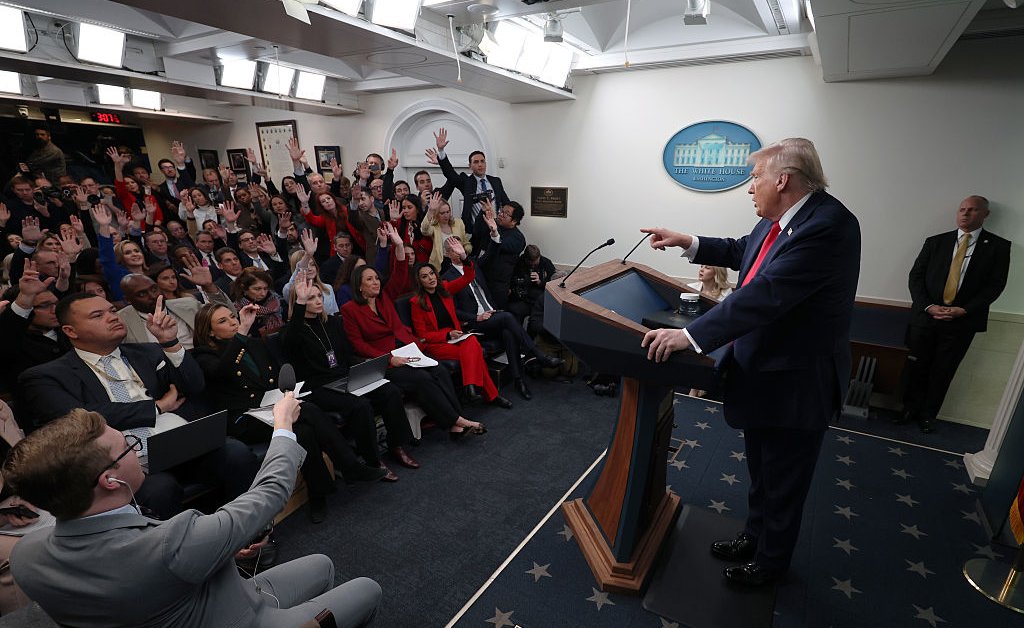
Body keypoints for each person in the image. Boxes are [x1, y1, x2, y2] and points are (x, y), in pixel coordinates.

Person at [640, 138, 861, 587]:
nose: (749, 187)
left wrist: (689, 336)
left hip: (798, 381)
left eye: (755, 176)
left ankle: (770, 564)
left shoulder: (829, 226)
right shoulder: (779, 220)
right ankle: (755, 537)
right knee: (763, 471)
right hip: (764, 373)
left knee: (785, 479)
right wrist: (690, 241)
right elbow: (745, 250)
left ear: (783, 180)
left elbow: (767, 293)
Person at [2, 397, 382, 627]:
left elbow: (153, 578)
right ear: (110, 480)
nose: (137, 448)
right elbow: (269, 493)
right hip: (242, 619)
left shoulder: (25, 556)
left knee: (321, 564)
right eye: (130, 445)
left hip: (197, 600)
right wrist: (282, 425)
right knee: (368, 588)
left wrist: (219, 552)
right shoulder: (174, 543)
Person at [18, 292, 260, 519]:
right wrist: (157, 407)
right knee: (160, 489)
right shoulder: (46, 376)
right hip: (124, 461)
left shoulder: (148, 352)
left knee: (236, 454)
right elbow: (79, 419)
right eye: (98, 315)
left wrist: (170, 342)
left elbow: (194, 386)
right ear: (71, 331)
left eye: (113, 311)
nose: (112, 317)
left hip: (177, 442)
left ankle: (250, 531)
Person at [192, 303, 387, 522]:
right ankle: (350, 466)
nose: (232, 322)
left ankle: (319, 493)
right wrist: (242, 333)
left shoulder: (253, 343)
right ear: (209, 332)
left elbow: (274, 373)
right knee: (307, 410)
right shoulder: (204, 355)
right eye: (223, 321)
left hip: (271, 406)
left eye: (231, 316)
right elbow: (222, 371)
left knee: (303, 431)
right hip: (245, 418)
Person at [284, 277, 420, 476]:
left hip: (345, 377)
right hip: (318, 387)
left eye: (319, 296)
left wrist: (365, 366)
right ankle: (373, 461)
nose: (318, 301)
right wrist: (300, 303)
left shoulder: (332, 322)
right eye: (311, 298)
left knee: (389, 390)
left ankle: (396, 445)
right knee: (360, 406)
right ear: (299, 302)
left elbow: (347, 354)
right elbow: (289, 342)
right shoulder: (293, 330)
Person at [901, 195, 1010, 434]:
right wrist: (928, 306)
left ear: (985, 214)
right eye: (962, 209)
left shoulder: (998, 247)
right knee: (916, 365)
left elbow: (995, 285)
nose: (965, 214)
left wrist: (965, 309)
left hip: (961, 322)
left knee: (943, 370)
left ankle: (928, 415)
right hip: (927, 317)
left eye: (972, 210)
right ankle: (908, 408)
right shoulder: (936, 242)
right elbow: (916, 277)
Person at [341, 265, 487, 439]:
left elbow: (399, 275)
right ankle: (458, 421)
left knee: (439, 370)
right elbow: (358, 345)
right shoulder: (349, 309)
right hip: (385, 361)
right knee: (422, 378)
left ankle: (456, 424)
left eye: (377, 278)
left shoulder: (383, 298)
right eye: (369, 279)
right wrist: (389, 358)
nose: (376, 282)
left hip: (407, 349)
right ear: (359, 286)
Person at [442, 239, 562, 400]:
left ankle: (519, 381)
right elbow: (453, 310)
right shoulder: (446, 277)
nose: (458, 252)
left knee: (508, 333)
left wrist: (493, 235)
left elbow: (491, 256)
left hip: (492, 314)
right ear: (447, 254)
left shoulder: (473, 266)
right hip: (475, 322)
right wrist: (476, 316)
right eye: (453, 250)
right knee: (507, 316)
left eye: (460, 248)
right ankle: (538, 355)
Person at [410, 243, 512, 409]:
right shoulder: (416, 303)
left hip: (457, 336)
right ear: (419, 281)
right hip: (438, 343)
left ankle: (470, 389)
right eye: (425, 276)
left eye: (432, 273)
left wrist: (464, 257)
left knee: (472, 343)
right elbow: (422, 335)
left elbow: (468, 277)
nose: (430, 278)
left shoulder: (445, 288)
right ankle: (489, 394)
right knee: (474, 351)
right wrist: (447, 335)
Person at [431, 127, 509, 235]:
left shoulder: (496, 181)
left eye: (482, 161)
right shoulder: (466, 181)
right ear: (470, 166)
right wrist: (441, 151)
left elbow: (506, 203)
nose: (480, 164)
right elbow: (450, 174)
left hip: (497, 228)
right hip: (476, 230)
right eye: (476, 162)